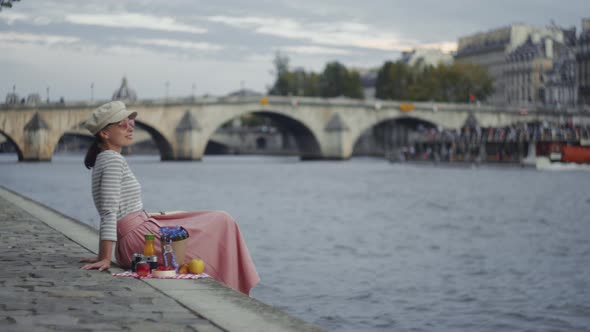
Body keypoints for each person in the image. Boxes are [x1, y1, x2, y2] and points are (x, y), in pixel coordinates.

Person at [79, 101, 259, 295]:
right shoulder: (112, 160)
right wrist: (105, 258)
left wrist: (103, 254)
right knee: (222, 221)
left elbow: (118, 211)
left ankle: (231, 286)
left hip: (137, 235)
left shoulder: (105, 158)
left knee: (210, 220)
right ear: (104, 134)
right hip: (140, 240)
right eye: (122, 124)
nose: (130, 127)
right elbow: (109, 211)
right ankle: (234, 289)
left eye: (131, 122)